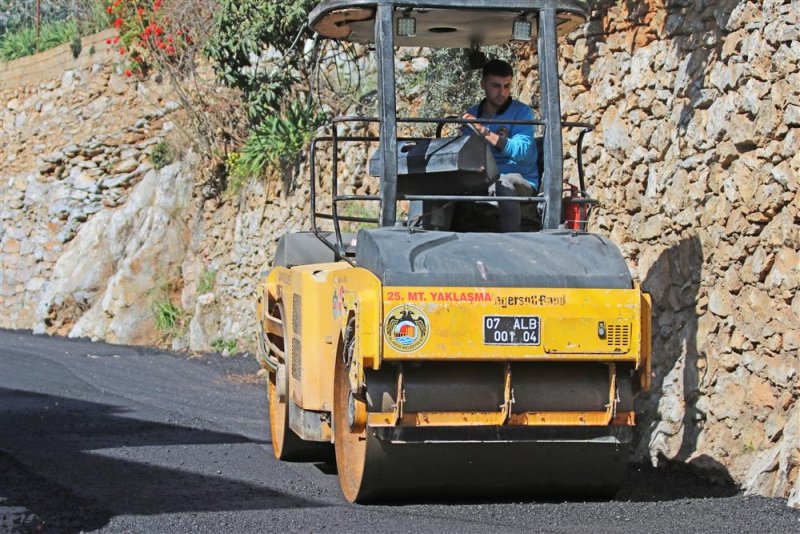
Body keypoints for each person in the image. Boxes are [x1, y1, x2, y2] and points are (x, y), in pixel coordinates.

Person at [463, 59, 538, 232]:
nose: (502, 92)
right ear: (483, 84)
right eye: (496, 86)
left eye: (507, 86)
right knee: (440, 182)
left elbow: (520, 151)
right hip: (483, 179)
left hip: (520, 181)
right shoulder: (472, 113)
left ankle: (511, 237)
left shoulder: (522, 112)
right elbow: (466, 151)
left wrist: (483, 131)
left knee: (503, 183)